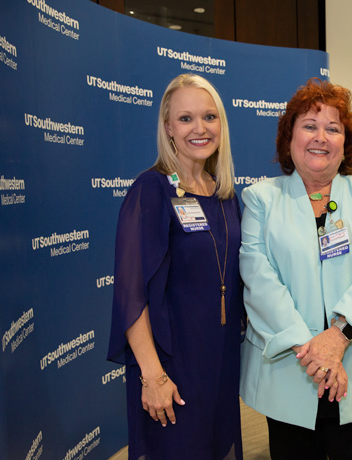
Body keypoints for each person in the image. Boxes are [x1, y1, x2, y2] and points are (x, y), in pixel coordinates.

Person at [239, 78, 352, 460]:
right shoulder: (261, 199)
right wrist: (314, 354)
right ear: (289, 139)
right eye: (309, 126)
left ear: (345, 143)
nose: (321, 137)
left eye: (333, 128)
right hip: (292, 368)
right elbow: (258, 277)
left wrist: (339, 336)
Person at [107, 73, 244, 460]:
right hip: (171, 364)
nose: (199, 129)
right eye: (185, 119)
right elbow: (130, 294)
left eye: (209, 117)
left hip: (217, 361)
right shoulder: (152, 190)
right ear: (167, 127)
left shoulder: (224, 194)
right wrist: (152, 376)